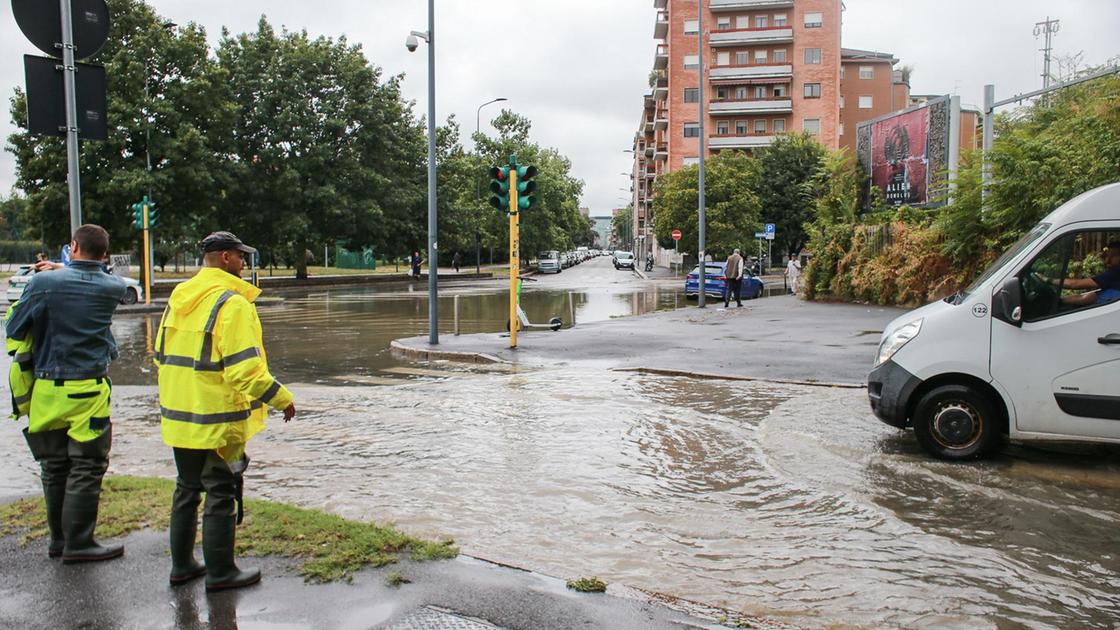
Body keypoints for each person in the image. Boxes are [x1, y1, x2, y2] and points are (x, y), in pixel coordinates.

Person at [156, 231, 296, 591]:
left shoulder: (179, 296)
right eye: (239, 256)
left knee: (186, 488)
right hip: (218, 418)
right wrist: (282, 398)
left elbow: (159, 353)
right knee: (220, 489)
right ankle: (221, 573)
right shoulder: (233, 304)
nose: (244, 263)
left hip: (180, 411)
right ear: (223, 259)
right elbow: (245, 370)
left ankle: (183, 566)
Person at [5, 225, 128, 563]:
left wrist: (59, 271)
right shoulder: (112, 288)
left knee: (54, 467)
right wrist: (71, 268)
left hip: (46, 390)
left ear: (72, 247)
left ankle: (58, 541)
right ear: (104, 254)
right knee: (87, 467)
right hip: (89, 391)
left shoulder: (42, 284)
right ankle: (81, 542)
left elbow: (14, 327)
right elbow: (101, 277)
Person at [1048, 241, 1120, 306]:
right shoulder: (1114, 281)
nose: (1108, 260)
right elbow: (1088, 297)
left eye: (1113, 255)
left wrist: (1049, 280)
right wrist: (1061, 301)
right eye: (1107, 255)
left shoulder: (1116, 273)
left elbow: (1074, 284)